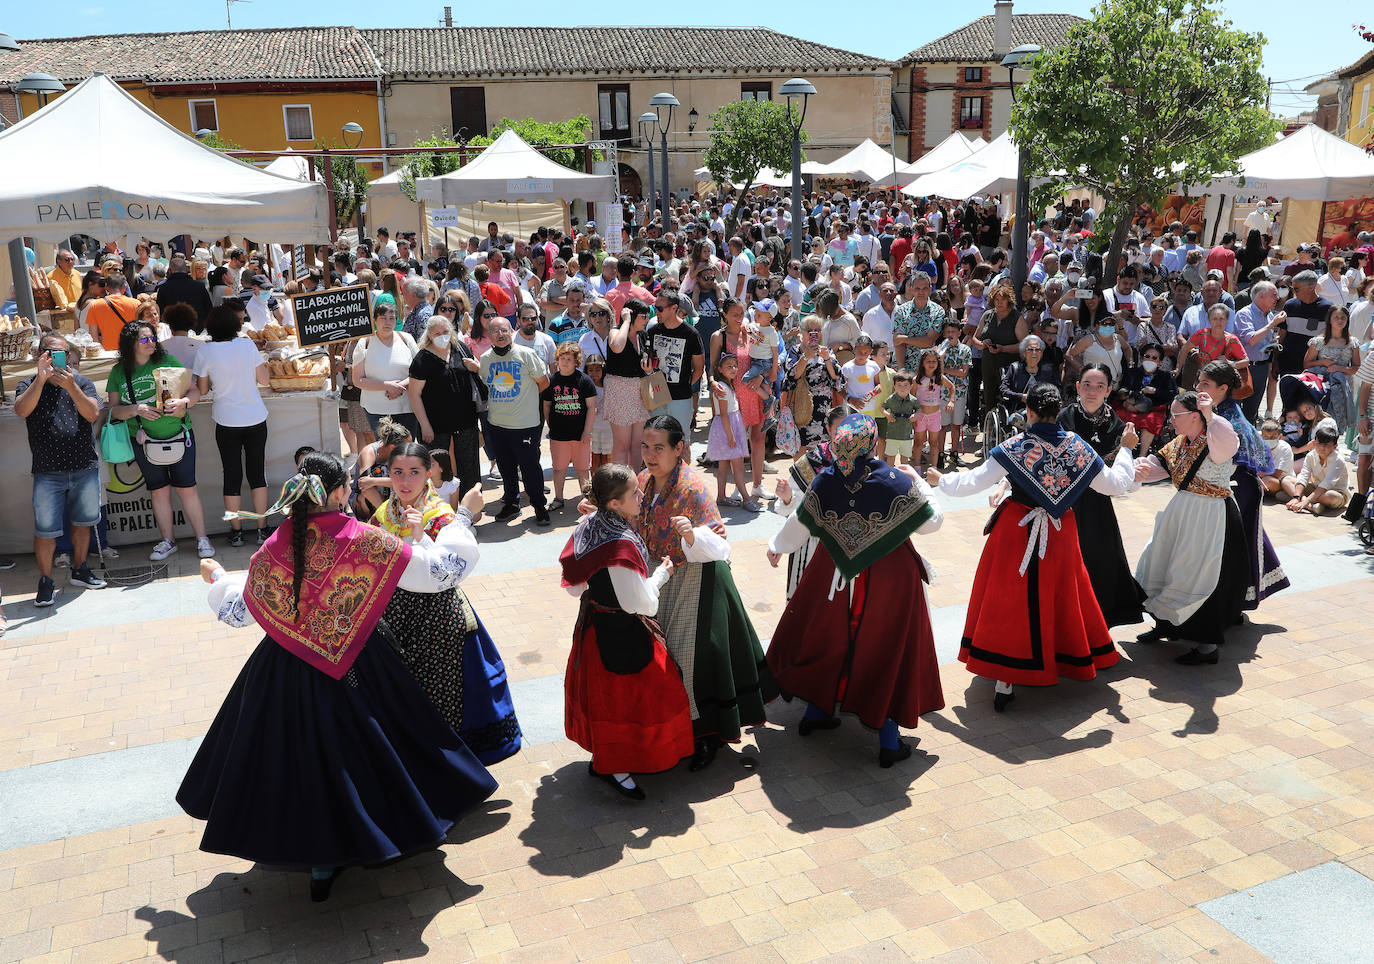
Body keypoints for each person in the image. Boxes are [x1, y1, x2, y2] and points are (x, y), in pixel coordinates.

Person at [181, 453, 498, 901]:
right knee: (375, 752)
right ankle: (375, 835)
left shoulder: (277, 544)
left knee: (298, 761)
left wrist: (217, 579)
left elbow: (238, 611)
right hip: (360, 665)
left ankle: (319, 857)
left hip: (285, 672)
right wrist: (461, 517)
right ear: (338, 493)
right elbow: (440, 572)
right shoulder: (364, 540)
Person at [928, 385, 1138, 711]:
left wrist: (940, 480)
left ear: (1029, 412)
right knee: (1060, 593)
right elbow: (1116, 485)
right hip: (1059, 532)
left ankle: (1005, 679)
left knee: (1011, 601)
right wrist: (1125, 449)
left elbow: (974, 482)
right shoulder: (1077, 448)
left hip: (1017, 528)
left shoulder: (1015, 445)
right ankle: (1058, 656)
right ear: (1059, 412)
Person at [765, 413, 944, 765]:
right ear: (873, 443)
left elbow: (798, 525)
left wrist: (775, 546)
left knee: (826, 636)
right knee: (887, 647)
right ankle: (889, 740)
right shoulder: (895, 480)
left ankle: (817, 712)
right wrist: (919, 482)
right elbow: (933, 523)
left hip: (833, 575)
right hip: (890, 578)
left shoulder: (826, 479)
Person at [635, 415, 774, 770]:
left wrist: (693, 536)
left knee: (692, 658)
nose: (651, 455)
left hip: (698, 579)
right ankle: (673, 730)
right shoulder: (643, 481)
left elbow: (720, 545)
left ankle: (705, 736)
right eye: (645, 447)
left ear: (679, 448)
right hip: (662, 575)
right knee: (662, 656)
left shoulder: (692, 488)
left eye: (659, 448)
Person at [371, 444, 522, 763]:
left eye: (414, 472)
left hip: (437, 616)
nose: (405, 481)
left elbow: (445, 570)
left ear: (429, 473)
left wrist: (420, 535)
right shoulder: (384, 513)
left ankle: (452, 764)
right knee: (407, 690)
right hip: (396, 613)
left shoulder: (439, 514)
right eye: (397, 472)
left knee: (442, 690)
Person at [560, 465, 695, 799]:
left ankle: (606, 761)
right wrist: (662, 573)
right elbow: (643, 605)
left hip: (594, 626)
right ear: (615, 504)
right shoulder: (619, 545)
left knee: (604, 700)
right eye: (634, 492)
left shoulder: (588, 525)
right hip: (621, 634)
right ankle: (616, 768)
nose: (641, 495)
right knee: (633, 700)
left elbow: (574, 588)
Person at [1132, 391, 1248, 665]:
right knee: (1160, 564)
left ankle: (1207, 646)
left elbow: (1227, 444)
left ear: (1195, 416)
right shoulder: (1179, 443)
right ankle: (1165, 625)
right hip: (1182, 513)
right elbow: (1159, 466)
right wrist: (1136, 467)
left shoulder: (1217, 437)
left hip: (1210, 516)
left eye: (1176, 415)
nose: (1171, 420)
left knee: (1196, 574)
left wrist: (1211, 414)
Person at [106, 320, 214, 561]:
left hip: (179, 435)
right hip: (144, 441)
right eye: (144, 339)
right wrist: (136, 409)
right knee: (158, 492)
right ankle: (168, 541)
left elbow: (194, 391)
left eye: (152, 337)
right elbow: (113, 411)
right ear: (130, 344)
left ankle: (202, 539)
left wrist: (184, 403)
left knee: (187, 489)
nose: (151, 342)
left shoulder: (167, 362)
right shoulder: (118, 372)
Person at [16, 334, 108, 605]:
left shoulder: (81, 382)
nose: (57, 358)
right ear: (39, 356)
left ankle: (80, 569)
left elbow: (92, 414)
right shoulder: (28, 384)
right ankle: (45, 581)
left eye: (62, 353)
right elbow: (22, 410)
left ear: (69, 357)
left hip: (83, 467)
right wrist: (41, 379)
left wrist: (70, 386)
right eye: (50, 352)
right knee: (45, 531)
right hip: (48, 470)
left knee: (83, 524)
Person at [1196, 361, 1290, 610]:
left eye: (1205, 383)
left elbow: (1229, 459)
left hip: (1238, 488)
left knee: (1233, 543)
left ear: (1222, 388)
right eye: (1199, 381)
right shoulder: (1215, 412)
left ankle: (1231, 601)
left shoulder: (1228, 419)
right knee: (1236, 540)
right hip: (1232, 486)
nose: (1198, 387)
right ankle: (1232, 601)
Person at [1058, 364, 1147, 627]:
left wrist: (1135, 476)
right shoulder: (1064, 418)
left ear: (1109, 390)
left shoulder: (1119, 426)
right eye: (1086, 384)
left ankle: (1100, 622)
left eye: (1099, 386)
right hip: (1066, 503)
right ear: (1077, 387)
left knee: (1101, 560)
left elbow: (1122, 476)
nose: (1092, 391)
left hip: (1098, 506)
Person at [193, 304, 271, 548]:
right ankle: (262, 530)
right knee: (257, 474)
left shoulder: (205, 351)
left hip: (226, 419)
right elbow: (264, 379)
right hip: (255, 416)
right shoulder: (247, 344)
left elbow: (203, 389)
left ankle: (236, 531)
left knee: (232, 475)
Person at [480, 316, 551, 525]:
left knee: (530, 468)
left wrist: (525, 401)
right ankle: (511, 504)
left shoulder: (526, 354)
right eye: (495, 331)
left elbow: (543, 382)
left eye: (504, 330)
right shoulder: (485, 359)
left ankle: (539, 505)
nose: (500, 335)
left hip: (525, 425)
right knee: (506, 468)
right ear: (489, 335)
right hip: (497, 424)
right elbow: (487, 385)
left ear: (512, 331)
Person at [407, 303, 483, 497]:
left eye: (445, 331)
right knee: (437, 467)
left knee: (469, 465)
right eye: (436, 332)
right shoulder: (422, 359)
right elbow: (414, 394)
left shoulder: (461, 349)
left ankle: (470, 508)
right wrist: (425, 425)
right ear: (429, 335)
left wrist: (476, 368)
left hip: (466, 420)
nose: (442, 335)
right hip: (435, 424)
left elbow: (477, 374)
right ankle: (441, 508)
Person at [541, 342, 598, 511]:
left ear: (576, 362)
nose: (565, 362)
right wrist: (551, 425)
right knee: (559, 468)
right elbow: (546, 406)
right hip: (559, 434)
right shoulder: (551, 381)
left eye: (569, 359)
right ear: (557, 360)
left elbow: (591, 407)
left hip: (580, 434)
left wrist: (587, 432)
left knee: (582, 469)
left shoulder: (584, 381)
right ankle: (558, 498)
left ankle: (586, 499)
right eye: (562, 358)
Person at [707, 353, 760, 511]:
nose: (733, 369)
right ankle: (746, 499)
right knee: (738, 467)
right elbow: (723, 414)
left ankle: (721, 496)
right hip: (728, 430)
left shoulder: (727, 385)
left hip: (730, 427)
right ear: (720, 369)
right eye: (729, 366)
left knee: (724, 466)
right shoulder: (722, 388)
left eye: (735, 366)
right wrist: (731, 437)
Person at [1280, 426, 1350, 513]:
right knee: (1286, 480)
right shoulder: (1311, 455)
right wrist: (1296, 497)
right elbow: (1304, 475)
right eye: (1319, 443)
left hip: (1335, 493)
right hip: (1315, 488)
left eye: (1326, 445)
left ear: (1335, 446)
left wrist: (1306, 501)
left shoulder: (1338, 460)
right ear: (1314, 443)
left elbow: (1327, 484)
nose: (1321, 448)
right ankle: (1308, 504)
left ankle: (1304, 501)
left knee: (1330, 496)